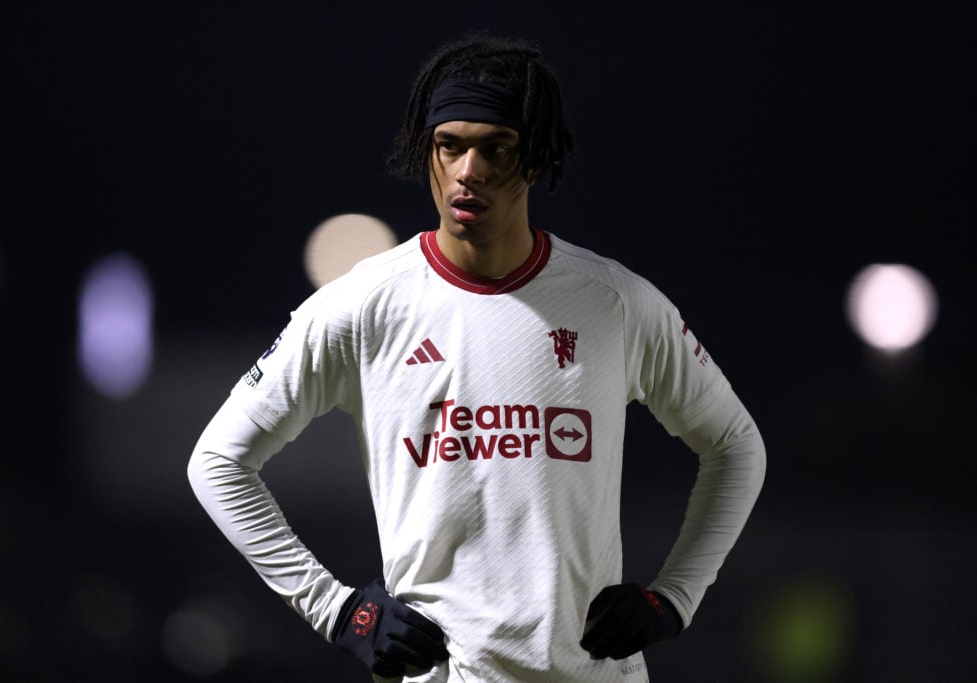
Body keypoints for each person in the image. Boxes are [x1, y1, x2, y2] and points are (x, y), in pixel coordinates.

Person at [188, 33, 765, 682]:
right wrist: (338, 609)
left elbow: (737, 444)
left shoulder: (617, 303)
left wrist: (674, 596)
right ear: (426, 151)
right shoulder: (361, 306)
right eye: (450, 145)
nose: (469, 170)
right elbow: (216, 462)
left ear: (536, 159)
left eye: (497, 148)